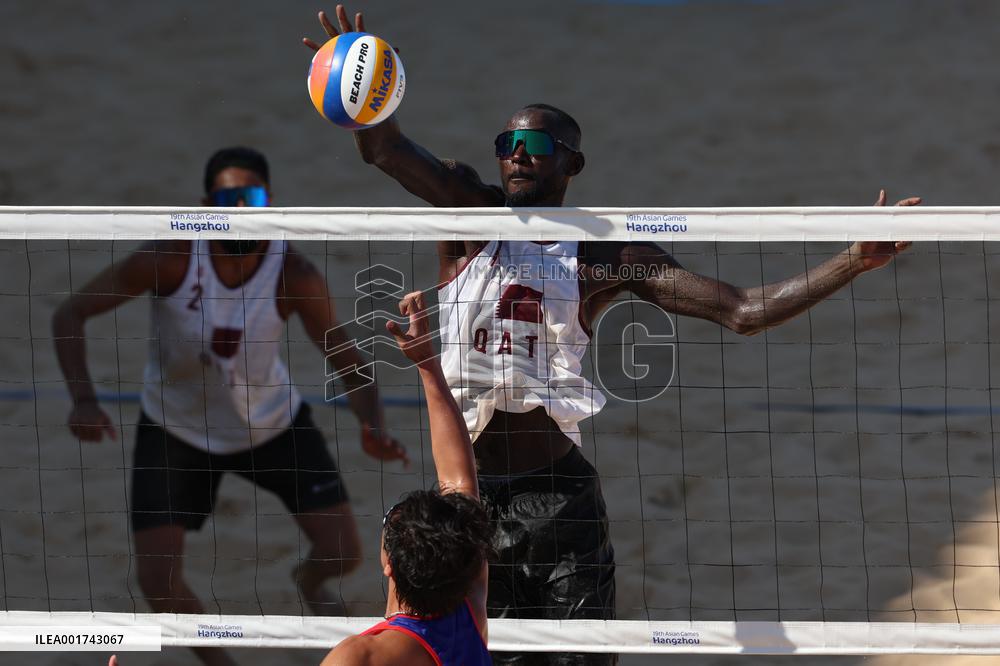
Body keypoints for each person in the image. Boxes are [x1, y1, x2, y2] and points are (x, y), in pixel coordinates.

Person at [304, 9, 921, 664]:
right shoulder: (468, 215)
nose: (517, 155)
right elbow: (386, 152)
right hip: (472, 502)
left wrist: (852, 260)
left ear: (571, 164)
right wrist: (366, 94)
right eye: (507, 143)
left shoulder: (603, 255)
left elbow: (740, 310)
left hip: (560, 499)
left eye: (536, 148)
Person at [54, 146, 408, 666]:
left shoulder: (294, 273)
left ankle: (307, 581)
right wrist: (84, 399)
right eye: (228, 198)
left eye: (253, 197)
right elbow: (70, 314)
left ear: (269, 202)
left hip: (272, 424)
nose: (242, 209)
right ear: (206, 204)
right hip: (176, 429)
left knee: (345, 553)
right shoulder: (170, 258)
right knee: (157, 581)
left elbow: (349, 360)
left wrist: (371, 425)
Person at [320, 289, 492, 665]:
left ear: (388, 563)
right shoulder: (468, 616)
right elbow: (460, 483)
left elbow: (459, 486)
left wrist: (426, 362)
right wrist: (428, 364)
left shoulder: (359, 657)